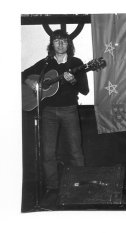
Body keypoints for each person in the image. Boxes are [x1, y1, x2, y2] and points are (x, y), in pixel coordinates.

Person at [22, 29, 89, 208]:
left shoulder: (77, 63)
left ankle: (79, 186)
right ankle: (52, 188)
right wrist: (31, 83)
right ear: (52, 44)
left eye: (64, 41)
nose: (60, 44)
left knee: (75, 151)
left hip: (69, 110)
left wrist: (73, 80)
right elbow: (23, 75)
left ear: (69, 44)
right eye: (57, 41)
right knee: (48, 152)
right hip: (48, 112)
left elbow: (85, 90)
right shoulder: (46, 63)